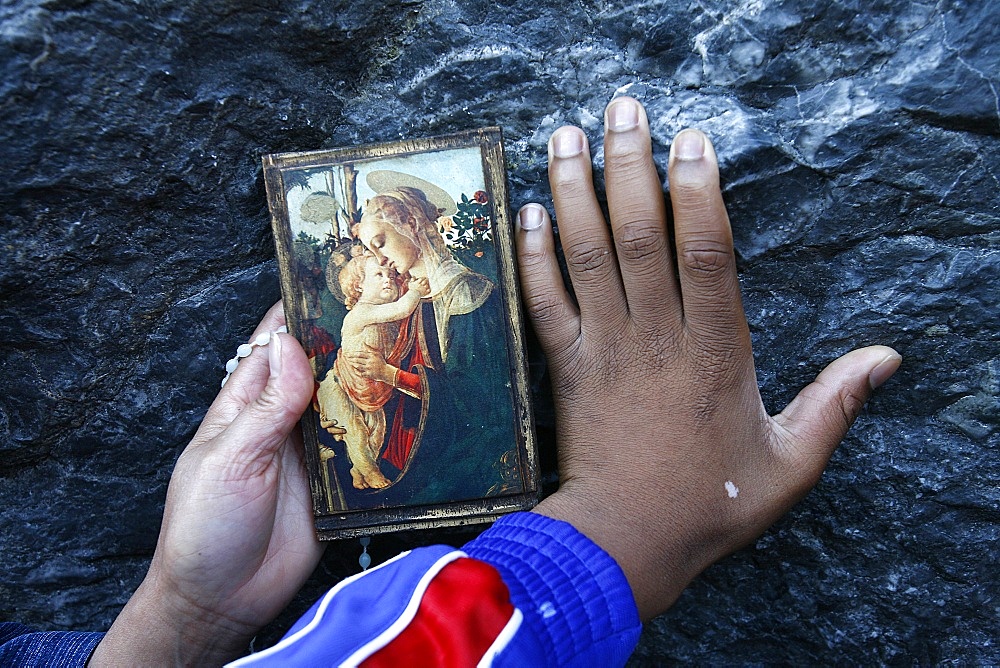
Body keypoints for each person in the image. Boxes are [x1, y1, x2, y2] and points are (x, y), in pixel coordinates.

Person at [0, 97, 900, 665]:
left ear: (408, 226)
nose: (369, 261)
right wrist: (616, 535)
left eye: (381, 241)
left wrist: (183, 617)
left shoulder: (437, 290)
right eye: (360, 255)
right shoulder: (379, 303)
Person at [336, 185, 524, 508]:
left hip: (461, 453)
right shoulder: (412, 297)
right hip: (409, 445)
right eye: (370, 250)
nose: (379, 259)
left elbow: (475, 401)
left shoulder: (464, 294)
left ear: (410, 224)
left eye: (380, 244)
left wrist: (390, 374)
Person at [316, 250, 431, 490]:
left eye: (390, 274)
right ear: (358, 287)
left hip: (368, 391)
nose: (388, 279)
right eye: (378, 275)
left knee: (376, 434)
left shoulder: (385, 318)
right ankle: (372, 473)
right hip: (339, 386)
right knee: (356, 434)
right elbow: (402, 309)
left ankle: (358, 473)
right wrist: (416, 292)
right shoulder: (362, 312)